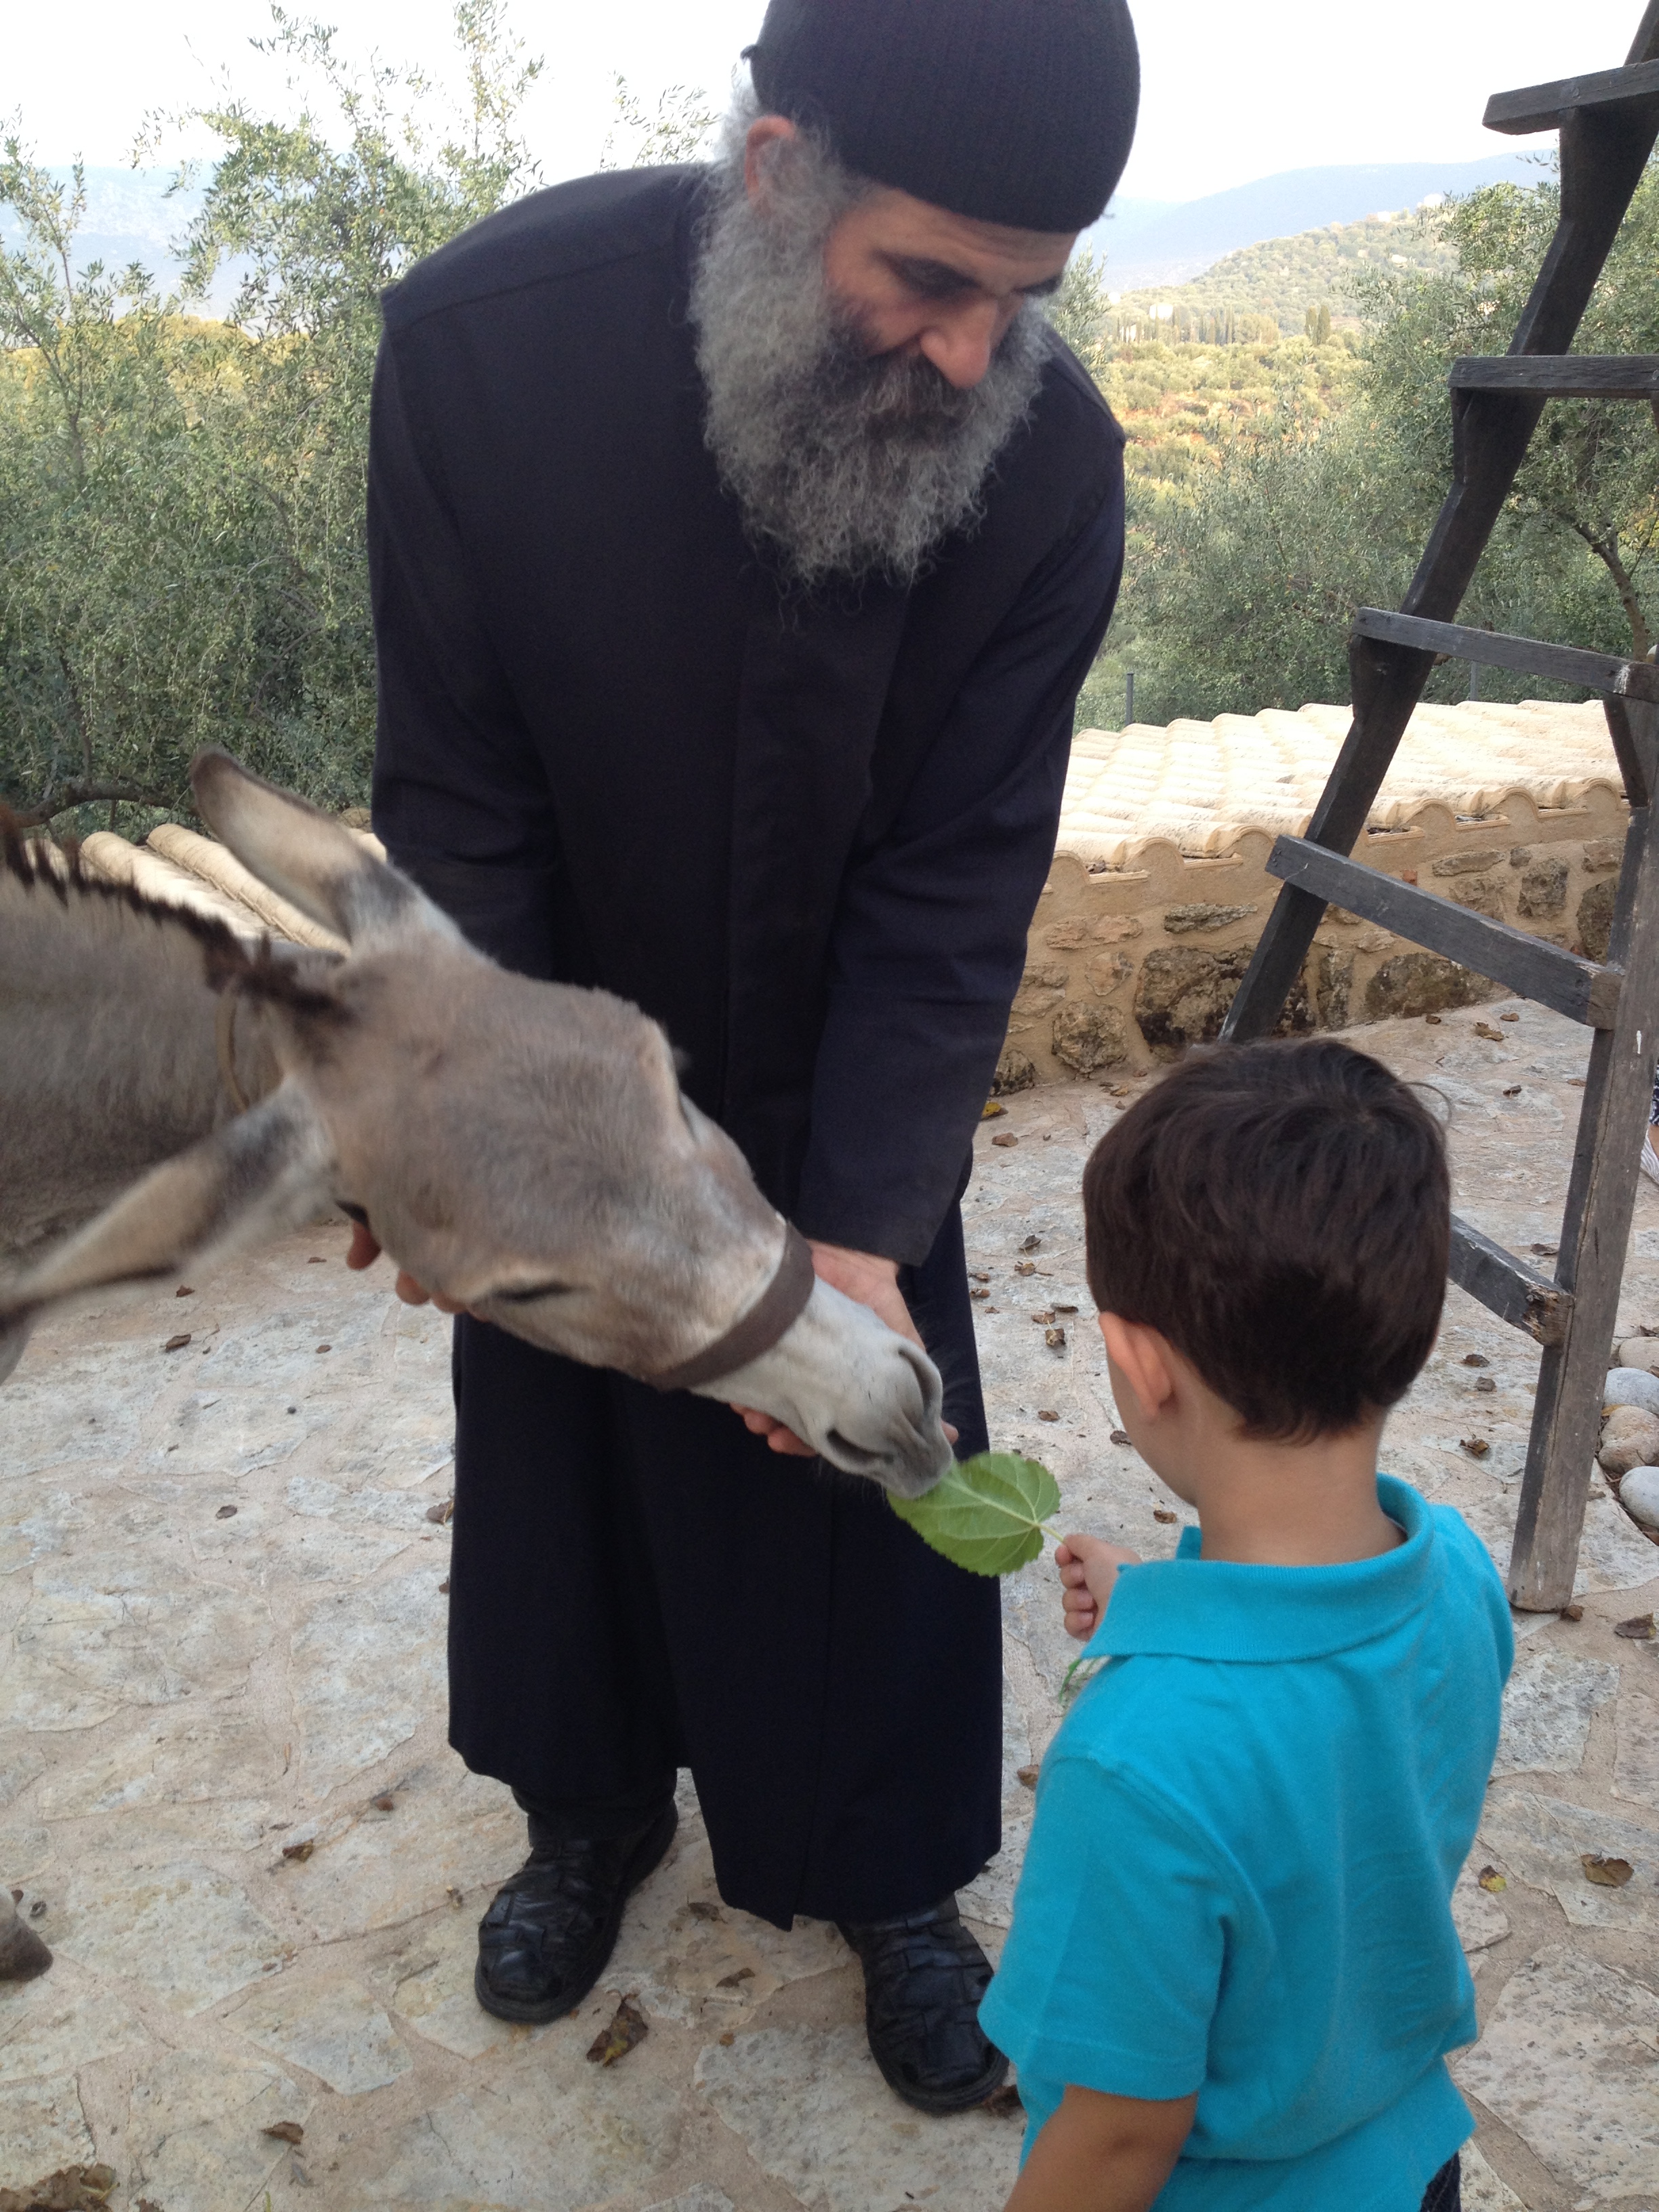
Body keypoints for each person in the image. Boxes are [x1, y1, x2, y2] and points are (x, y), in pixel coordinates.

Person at [362, 0, 1140, 2112]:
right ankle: (590, 1808)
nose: (973, 354)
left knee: (874, 1461)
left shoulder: (1050, 470)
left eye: (1022, 301)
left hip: (846, 1086)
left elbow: (958, 879)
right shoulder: (480, 350)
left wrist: (867, 1221)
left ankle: (895, 1875)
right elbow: (461, 799)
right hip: (553, 1044)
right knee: (567, 1451)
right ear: (781, 174)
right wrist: (468, 1126)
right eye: (931, 280)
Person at [980, 1037, 1513, 2210]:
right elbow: (1327, 1704)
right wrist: (1153, 1605)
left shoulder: (1130, 1763)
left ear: (1139, 1363)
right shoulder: (1462, 1575)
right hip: (1411, 2165)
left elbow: (1120, 2135)